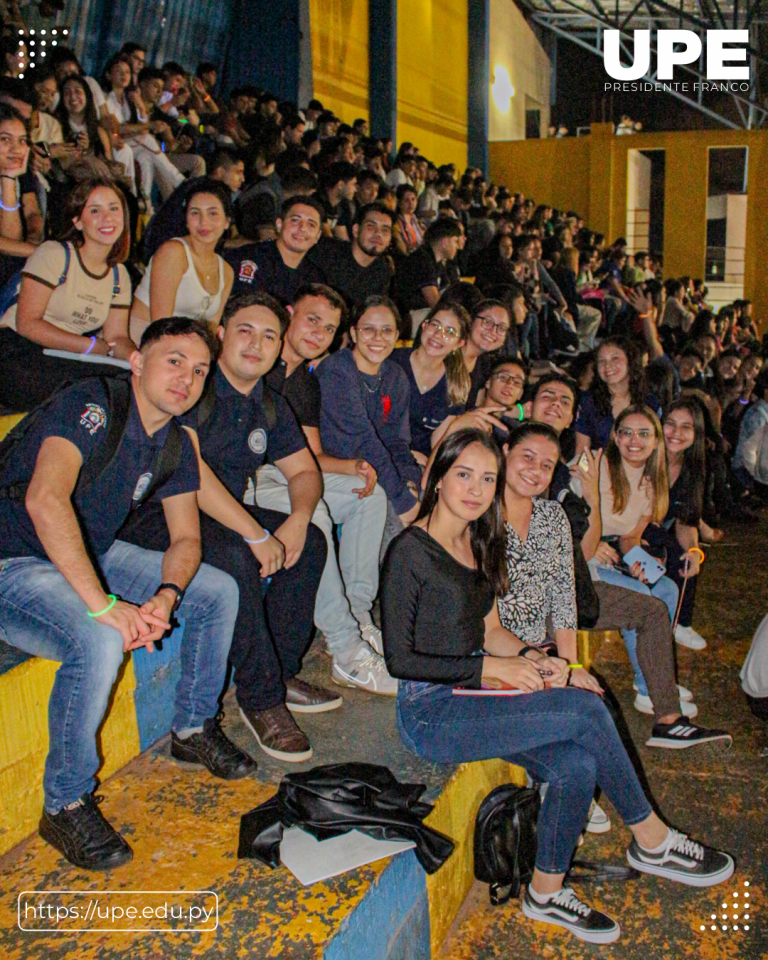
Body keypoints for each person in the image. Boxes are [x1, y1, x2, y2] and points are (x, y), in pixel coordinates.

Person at [381, 427, 734, 946]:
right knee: (586, 711)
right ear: (438, 480)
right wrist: (489, 672)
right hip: (430, 711)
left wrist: (537, 661)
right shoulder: (410, 551)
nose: (476, 490)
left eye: (486, 479)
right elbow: (400, 660)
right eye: (463, 475)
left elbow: (491, 630)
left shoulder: (477, 540)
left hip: (472, 689)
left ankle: (545, 893)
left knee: (578, 762)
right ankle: (651, 838)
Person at [0, 316, 256, 870]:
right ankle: (65, 802)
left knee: (214, 589)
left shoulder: (173, 441)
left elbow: (187, 538)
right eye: (173, 361)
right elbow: (46, 501)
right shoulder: (91, 404)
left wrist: (166, 594)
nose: (186, 379)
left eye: (199, 370)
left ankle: (192, 727)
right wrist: (105, 605)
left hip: (88, 550)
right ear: (137, 361)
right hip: (13, 559)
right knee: (97, 640)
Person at [121, 292, 333, 761]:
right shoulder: (196, 386)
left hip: (222, 517)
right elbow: (190, 473)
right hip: (154, 516)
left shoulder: (270, 404)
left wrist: (297, 522)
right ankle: (262, 700)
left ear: (281, 348)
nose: (257, 344)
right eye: (245, 331)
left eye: (270, 336)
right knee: (237, 555)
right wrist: (257, 534)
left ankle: (278, 669)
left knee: (311, 543)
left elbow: (304, 472)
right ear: (220, 336)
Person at [529, 374, 730, 747]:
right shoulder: (596, 465)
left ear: (655, 442)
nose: (634, 442)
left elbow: (631, 536)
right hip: (581, 560)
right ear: (615, 435)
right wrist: (605, 546)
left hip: (602, 555)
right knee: (648, 602)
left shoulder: (652, 483)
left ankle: (648, 683)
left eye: (643, 434)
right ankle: (653, 688)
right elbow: (581, 528)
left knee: (666, 585)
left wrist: (636, 559)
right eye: (626, 433)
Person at [254, 284, 396, 694]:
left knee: (368, 493)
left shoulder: (305, 380)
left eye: (329, 328)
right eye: (311, 319)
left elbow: (310, 454)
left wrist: (354, 466)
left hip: (286, 473)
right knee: (312, 509)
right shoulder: (258, 359)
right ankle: (347, 651)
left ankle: (359, 617)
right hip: (247, 480)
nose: (318, 333)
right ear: (288, 313)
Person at [0, 176, 134, 412]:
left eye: (114, 208)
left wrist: (137, 360)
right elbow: (27, 324)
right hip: (19, 351)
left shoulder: (119, 275)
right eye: (95, 210)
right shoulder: (54, 254)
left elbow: (117, 337)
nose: (107, 217)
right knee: (90, 389)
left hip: (67, 357)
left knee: (127, 381)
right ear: (78, 221)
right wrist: (88, 345)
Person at [316, 295, 421, 536]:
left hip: (372, 467)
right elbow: (362, 441)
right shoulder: (337, 371)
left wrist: (410, 482)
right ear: (353, 333)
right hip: (337, 469)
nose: (378, 338)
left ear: (396, 336)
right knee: (391, 514)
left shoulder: (395, 376)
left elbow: (396, 441)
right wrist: (402, 500)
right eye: (368, 329)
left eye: (386, 330)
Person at [130, 179, 234, 341]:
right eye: (195, 213)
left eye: (212, 213)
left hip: (182, 351)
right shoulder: (173, 252)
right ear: (186, 219)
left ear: (227, 222)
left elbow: (210, 331)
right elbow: (161, 325)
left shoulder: (226, 272)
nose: (204, 222)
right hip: (145, 344)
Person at [391, 301, 470, 460]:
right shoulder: (393, 362)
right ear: (424, 326)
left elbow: (438, 444)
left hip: (421, 460)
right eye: (435, 325)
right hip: (384, 452)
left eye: (450, 332)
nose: (439, 335)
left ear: (459, 344)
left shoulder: (456, 384)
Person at [103, 53, 183, 208]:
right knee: (147, 139)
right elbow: (119, 129)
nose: (124, 75)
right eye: (119, 71)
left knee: (146, 157)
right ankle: (179, 181)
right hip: (115, 144)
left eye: (127, 72)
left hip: (144, 149)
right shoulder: (107, 99)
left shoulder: (129, 100)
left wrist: (139, 103)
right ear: (108, 75)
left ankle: (145, 204)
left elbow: (168, 131)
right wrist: (149, 127)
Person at [224, 194, 325, 303]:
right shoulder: (248, 257)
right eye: (295, 220)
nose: (303, 228)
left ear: (318, 236)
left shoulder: (315, 277)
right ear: (279, 225)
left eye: (311, 224)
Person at [575, 336, 656, 454]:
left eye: (615, 358)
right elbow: (582, 451)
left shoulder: (649, 402)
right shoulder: (588, 402)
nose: (608, 366)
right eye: (602, 361)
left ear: (630, 361)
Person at [309, 201, 393, 306]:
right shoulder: (327, 252)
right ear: (356, 230)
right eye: (371, 226)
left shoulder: (382, 270)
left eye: (385, 230)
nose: (378, 234)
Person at [393, 216, 462, 333]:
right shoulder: (422, 260)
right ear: (445, 242)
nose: (458, 246)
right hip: (406, 319)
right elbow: (434, 301)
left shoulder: (438, 264)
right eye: (455, 241)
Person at [393, 184, 424, 255]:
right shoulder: (396, 225)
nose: (411, 203)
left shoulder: (418, 222)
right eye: (406, 200)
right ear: (399, 203)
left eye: (413, 199)